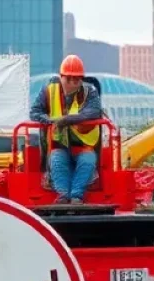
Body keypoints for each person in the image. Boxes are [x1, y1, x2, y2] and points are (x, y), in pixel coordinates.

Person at [29, 54, 102, 203]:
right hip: (59, 144)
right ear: (61, 77)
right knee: (56, 160)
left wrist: (67, 120)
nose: (73, 83)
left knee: (87, 160)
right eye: (68, 79)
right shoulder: (48, 91)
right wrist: (50, 120)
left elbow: (94, 111)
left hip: (84, 145)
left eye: (77, 79)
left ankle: (76, 196)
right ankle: (62, 195)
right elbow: (35, 112)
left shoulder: (90, 92)